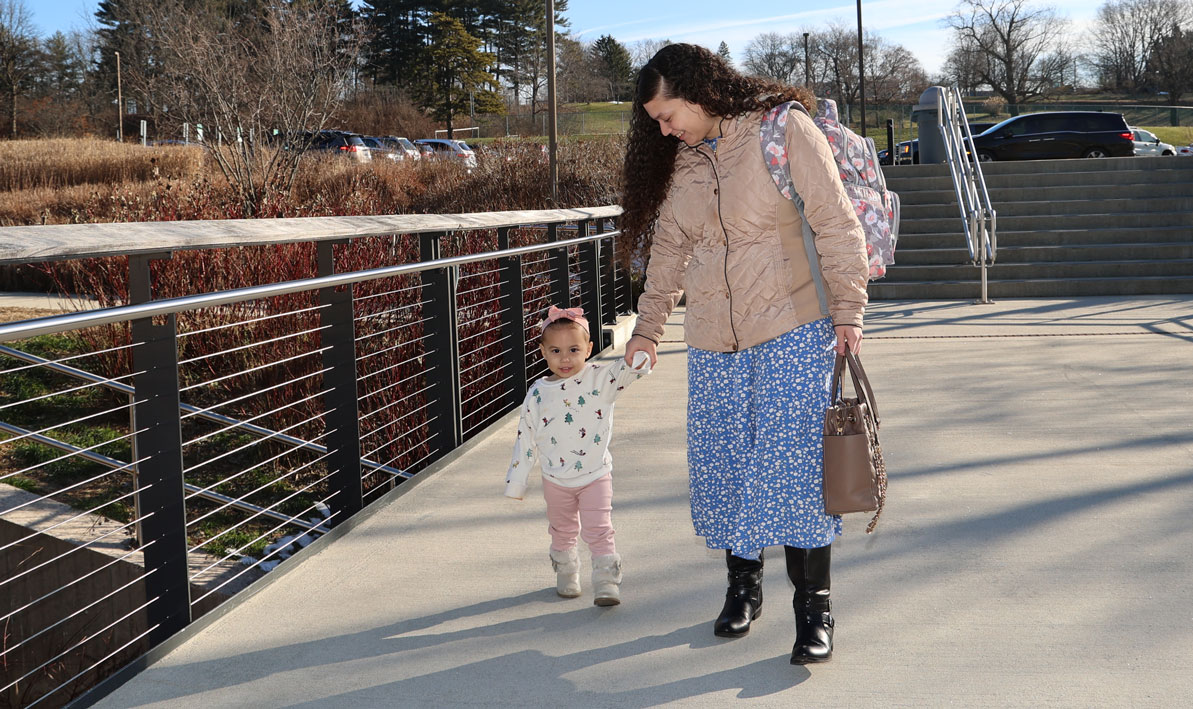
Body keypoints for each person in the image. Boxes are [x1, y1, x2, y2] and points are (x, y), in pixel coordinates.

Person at [619, 43, 869, 664]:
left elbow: (836, 221)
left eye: (667, 112)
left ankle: (815, 611)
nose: (663, 127)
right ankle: (743, 589)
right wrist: (648, 329)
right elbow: (669, 251)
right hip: (711, 339)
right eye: (654, 120)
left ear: (700, 93)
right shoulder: (683, 165)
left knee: (796, 475)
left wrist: (849, 308)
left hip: (793, 327)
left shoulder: (781, 131)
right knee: (728, 466)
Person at [505, 305, 651, 606]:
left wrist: (640, 357)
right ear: (543, 352)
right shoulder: (537, 392)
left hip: (595, 474)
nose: (565, 358)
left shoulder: (601, 379)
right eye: (556, 351)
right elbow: (526, 437)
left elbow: (629, 371)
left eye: (574, 349)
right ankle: (567, 572)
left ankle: (606, 581)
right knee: (562, 529)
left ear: (589, 348)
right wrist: (516, 482)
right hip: (555, 479)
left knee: (599, 528)